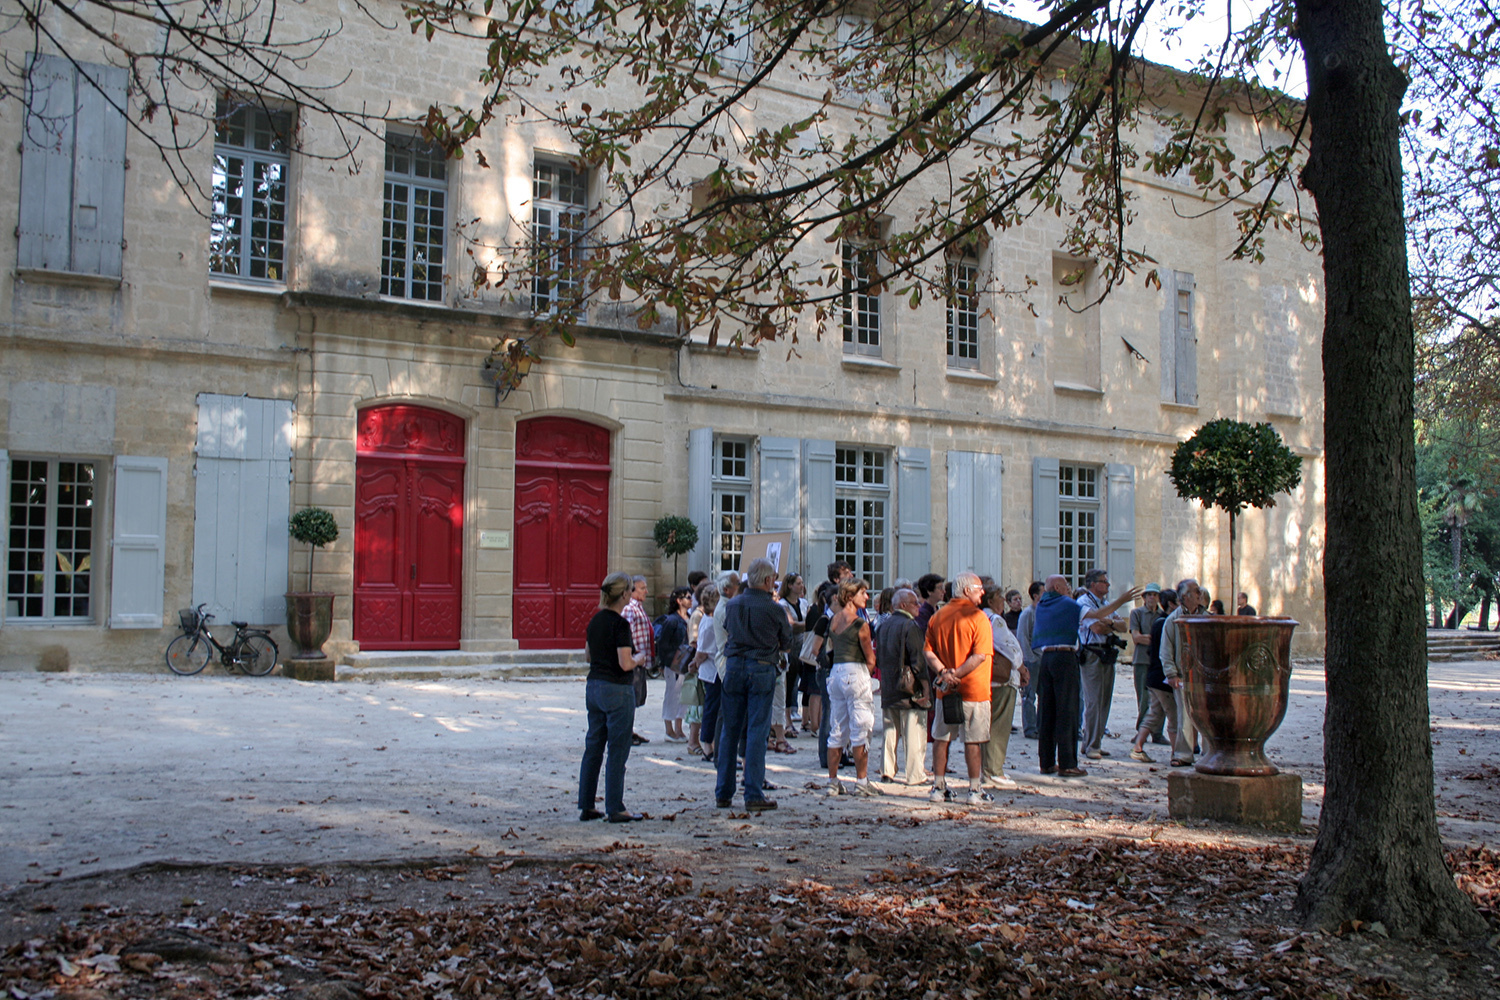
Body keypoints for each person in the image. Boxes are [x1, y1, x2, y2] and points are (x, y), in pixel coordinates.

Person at [1030, 574, 1143, 777]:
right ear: (1057, 586)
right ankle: (1067, 763)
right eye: (1066, 585)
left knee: (1047, 712)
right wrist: (1121, 601)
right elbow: (1097, 615)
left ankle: (1046, 762)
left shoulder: (1043, 604)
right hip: (1065, 658)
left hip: (1046, 658)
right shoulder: (1066, 603)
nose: (1069, 588)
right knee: (1068, 712)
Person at [715, 558, 792, 812]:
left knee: (730, 730)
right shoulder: (774, 608)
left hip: (735, 666)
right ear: (769, 581)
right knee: (757, 731)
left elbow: (728, 629)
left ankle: (724, 792)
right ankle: (753, 792)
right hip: (761, 666)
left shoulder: (733, 604)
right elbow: (786, 642)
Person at [578, 572, 648, 823]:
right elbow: (625, 662)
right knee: (618, 749)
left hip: (594, 685)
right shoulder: (620, 624)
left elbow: (587, 655)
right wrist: (640, 658)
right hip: (617, 688)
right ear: (624, 595)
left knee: (594, 746)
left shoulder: (595, 620)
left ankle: (586, 804)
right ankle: (615, 806)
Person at [924, 572, 994, 804]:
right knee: (973, 740)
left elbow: (928, 651)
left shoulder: (938, 616)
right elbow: (980, 656)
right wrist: (956, 674)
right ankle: (975, 790)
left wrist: (944, 673)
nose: (982, 592)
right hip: (974, 688)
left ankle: (938, 786)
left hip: (946, 689)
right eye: (979, 587)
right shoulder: (979, 617)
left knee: (941, 738)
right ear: (967, 590)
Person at [825, 578, 879, 796]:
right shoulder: (860, 623)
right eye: (862, 593)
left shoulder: (834, 620)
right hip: (855, 672)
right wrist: (869, 673)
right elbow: (870, 657)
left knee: (837, 730)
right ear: (850, 596)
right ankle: (862, 781)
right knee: (860, 730)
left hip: (836, 672)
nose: (866, 597)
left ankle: (832, 781)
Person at [1076, 568, 1130, 761]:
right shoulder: (1083, 602)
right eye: (1103, 581)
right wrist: (1109, 622)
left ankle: (1095, 742)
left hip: (1107, 652)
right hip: (1092, 653)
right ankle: (1091, 744)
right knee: (1093, 701)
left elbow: (1124, 626)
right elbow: (1097, 626)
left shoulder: (1105, 604)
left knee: (1104, 700)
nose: (1107, 585)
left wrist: (1109, 622)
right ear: (1092, 584)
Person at [878, 587, 929, 785]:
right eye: (915, 602)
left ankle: (887, 770)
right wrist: (925, 686)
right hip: (908, 685)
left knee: (890, 730)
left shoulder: (884, 625)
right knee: (913, 731)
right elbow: (918, 660)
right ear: (903, 605)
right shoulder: (910, 626)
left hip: (889, 683)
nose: (919, 606)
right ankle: (915, 774)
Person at [982, 585, 1028, 789]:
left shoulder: (980, 617)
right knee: (999, 725)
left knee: (989, 724)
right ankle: (994, 770)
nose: (1003, 601)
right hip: (1002, 678)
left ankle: (988, 767)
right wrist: (1022, 668)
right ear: (991, 601)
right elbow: (1007, 647)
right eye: (1000, 597)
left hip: (987, 677)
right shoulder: (995, 620)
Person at [1162, 578, 1205, 767]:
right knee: (1185, 716)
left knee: (1207, 715)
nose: (1200, 593)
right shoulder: (1173, 620)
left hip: (1205, 675)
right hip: (1183, 675)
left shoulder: (1207, 617)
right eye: (1196, 591)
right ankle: (1182, 754)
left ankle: (1210, 752)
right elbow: (1166, 650)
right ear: (1185, 597)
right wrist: (1171, 673)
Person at [1129, 602, 1179, 763]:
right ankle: (1176, 753)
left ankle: (1138, 746)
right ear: (1172, 604)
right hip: (1162, 677)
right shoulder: (1168, 623)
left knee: (1154, 713)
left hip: (1154, 675)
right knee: (1174, 717)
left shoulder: (1159, 622)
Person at [684, 583, 720, 755]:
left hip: (715, 670)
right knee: (710, 709)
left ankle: (711, 742)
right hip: (712, 672)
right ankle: (707, 744)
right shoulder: (709, 622)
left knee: (714, 708)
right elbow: (703, 651)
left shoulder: (712, 619)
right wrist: (695, 663)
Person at [1128, 583, 1164, 745]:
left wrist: (1148, 639)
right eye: (1149, 594)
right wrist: (1156, 640)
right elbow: (1136, 638)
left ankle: (1157, 732)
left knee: (1161, 698)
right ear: (1144, 597)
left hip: (1158, 661)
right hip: (1142, 660)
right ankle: (1141, 731)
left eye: (1155, 595)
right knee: (1143, 698)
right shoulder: (1137, 614)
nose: (1152, 597)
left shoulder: (1163, 616)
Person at [657, 585, 692, 743]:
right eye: (687, 597)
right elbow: (663, 644)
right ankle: (669, 729)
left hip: (686, 662)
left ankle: (679, 727)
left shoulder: (690, 618)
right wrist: (663, 663)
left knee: (683, 695)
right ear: (679, 601)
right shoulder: (671, 621)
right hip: (673, 662)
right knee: (672, 694)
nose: (690, 600)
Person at [623, 575, 655, 746]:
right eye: (642, 588)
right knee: (631, 698)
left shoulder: (638, 607)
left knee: (636, 697)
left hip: (640, 660)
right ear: (632, 590)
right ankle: (625, 733)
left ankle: (630, 731)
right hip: (634, 660)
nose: (646, 591)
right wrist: (632, 655)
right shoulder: (630, 609)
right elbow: (626, 633)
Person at [1015, 580, 1043, 739]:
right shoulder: (1027, 614)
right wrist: (1029, 660)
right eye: (1043, 592)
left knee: (1042, 695)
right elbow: (1023, 639)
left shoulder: (1043, 612)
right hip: (1032, 661)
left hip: (1042, 659)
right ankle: (1030, 728)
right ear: (1035, 596)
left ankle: (1040, 725)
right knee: (1029, 696)